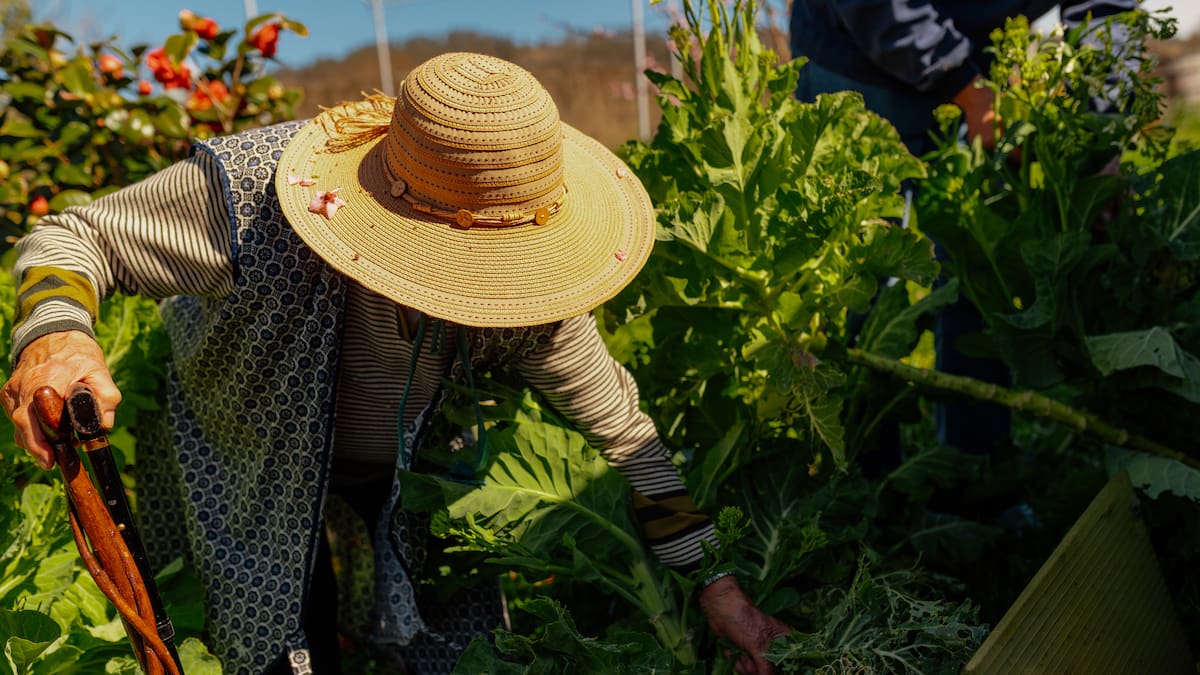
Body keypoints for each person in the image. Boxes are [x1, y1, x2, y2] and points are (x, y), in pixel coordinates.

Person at [2, 52, 789, 675]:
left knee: (464, 648)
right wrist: (57, 334)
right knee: (279, 639)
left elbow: (627, 438)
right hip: (253, 445)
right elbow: (74, 237)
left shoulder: (532, 301)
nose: (477, 295)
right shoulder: (249, 198)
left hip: (415, 466)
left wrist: (722, 591)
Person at [789, 0, 1137, 454]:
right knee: (850, 282)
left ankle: (975, 476)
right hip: (856, 49)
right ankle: (848, 485)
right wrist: (965, 87)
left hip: (978, 55)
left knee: (980, 270)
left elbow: (1106, 9)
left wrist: (1100, 129)